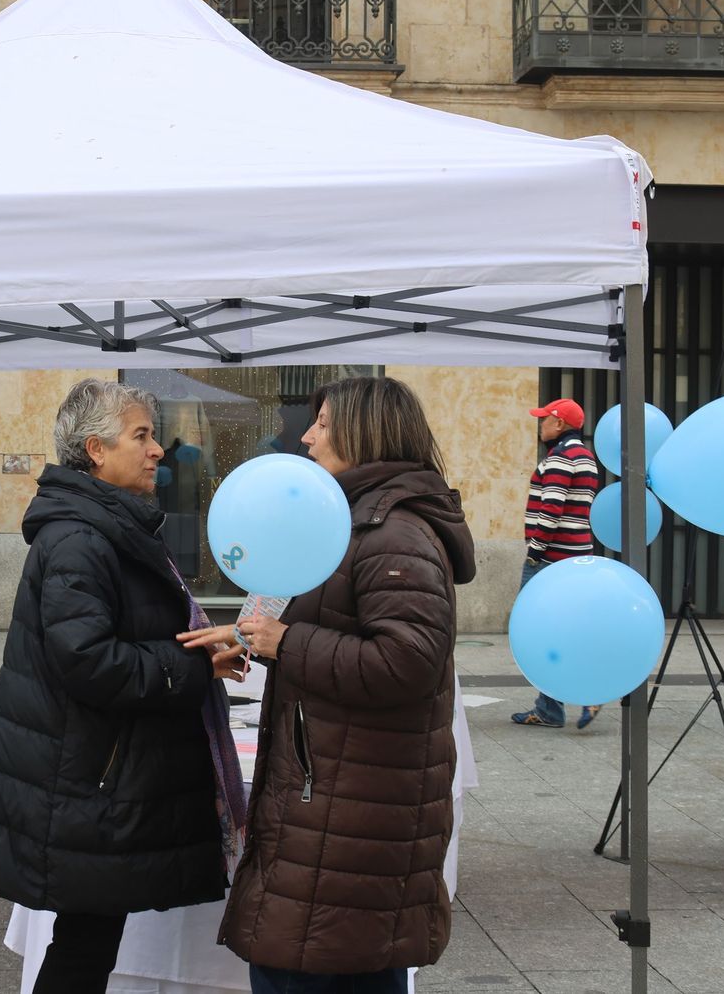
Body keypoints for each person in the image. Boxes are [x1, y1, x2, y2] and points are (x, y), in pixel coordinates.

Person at [182, 375, 477, 994]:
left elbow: (409, 659)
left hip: (354, 800)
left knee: (321, 964)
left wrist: (285, 642)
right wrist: (248, 638)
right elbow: (335, 623)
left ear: (364, 434)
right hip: (338, 792)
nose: (308, 436)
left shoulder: (392, 532)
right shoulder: (349, 521)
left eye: (322, 423)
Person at [0, 378, 239, 994]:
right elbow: (89, 662)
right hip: (89, 777)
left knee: (86, 942)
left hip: (93, 771)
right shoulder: (81, 538)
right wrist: (192, 666)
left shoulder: (106, 526)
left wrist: (199, 654)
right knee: (83, 950)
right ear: (95, 449)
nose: (157, 451)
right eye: (141, 436)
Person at [511, 397, 602, 730]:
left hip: (551, 559)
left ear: (559, 424)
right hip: (578, 556)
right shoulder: (587, 457)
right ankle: (568, 700)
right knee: (568, 631)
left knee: (537, 632)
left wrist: (535, 550)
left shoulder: (561, 458)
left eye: (544, 419)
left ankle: (561, 704)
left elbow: (552, 510)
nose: (540, 425)